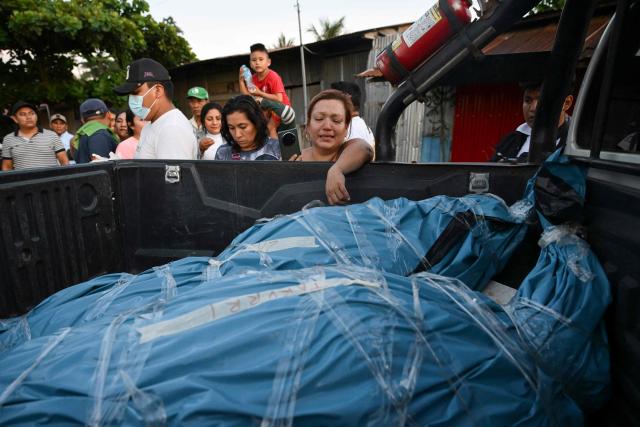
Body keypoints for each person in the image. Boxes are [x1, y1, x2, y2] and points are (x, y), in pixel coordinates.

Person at [290, 90, 373, 205]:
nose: (327, 126)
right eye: (319, 118)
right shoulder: (296, 159)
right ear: (308, 126)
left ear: (346, 128)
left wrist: (337, 169)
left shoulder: (347, 152)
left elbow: (364, 148)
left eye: (336, 120)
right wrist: (286, 172)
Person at [113, 58, 198, 160]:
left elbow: (171, 175)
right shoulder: (152, 124)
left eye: (136, 93)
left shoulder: (172, 128)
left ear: (157, 91)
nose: (131, 99)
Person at [492, 82, 573, 162]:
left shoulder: (577, 145)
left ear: (566, 103)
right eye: (528, 100)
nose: (533, 108)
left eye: (542, 100)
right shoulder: (511, 141)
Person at [2, 101, 69, 170]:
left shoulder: (52, 135)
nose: (28, 117)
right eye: (23, 114)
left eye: (32, 113)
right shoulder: (8, 139)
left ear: (36, 116)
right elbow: (7, 167)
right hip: (23, 180)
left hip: (51, 179)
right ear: (15, 119)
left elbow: (64, 161)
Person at [215, 95, 281, 161]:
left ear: (256, 123)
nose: (237, 135)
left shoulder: (277, 149)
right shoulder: (223, 153)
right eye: (231, 128)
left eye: (243, 127)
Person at [330, 81, 375, 150]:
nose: (329, 103)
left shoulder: (352, 128)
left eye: (332, 99)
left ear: (347, 99)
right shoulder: (358, 124)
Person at [73, 99, 119, 164]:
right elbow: (101, 170)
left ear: (82, 119)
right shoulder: (100, 135)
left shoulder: (83, 133)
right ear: (108, 114)